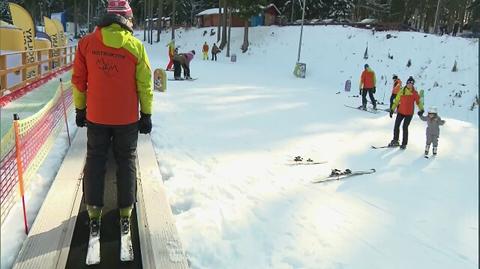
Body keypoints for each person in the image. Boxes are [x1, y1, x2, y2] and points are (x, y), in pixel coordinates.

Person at [72, 0, 153, 239]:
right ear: (127, 19)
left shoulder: (86, 44)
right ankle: (125, 211)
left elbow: (78, 80)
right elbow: (145, 85)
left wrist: (80, 109)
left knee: (95, 160)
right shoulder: (135, 46)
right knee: (126, 161)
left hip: (96, 116)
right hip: (126, 118)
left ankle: (94, 211)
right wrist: (146, 114)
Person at [388, 76, 424, 149]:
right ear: (407, 83)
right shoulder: (402, 91)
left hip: (409, 113)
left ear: (413, 84)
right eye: (409, 83)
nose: (410, 84)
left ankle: (404, 144)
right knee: (396, 126)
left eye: (412, 83)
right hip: (401, 112)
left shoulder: (414, 93)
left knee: (405, 127)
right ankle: (395, 140)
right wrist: (392, 109)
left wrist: (421, 110)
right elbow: (397, 101)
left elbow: (418, 102)